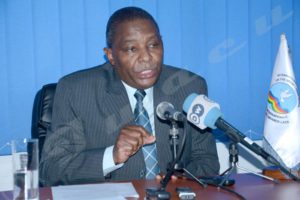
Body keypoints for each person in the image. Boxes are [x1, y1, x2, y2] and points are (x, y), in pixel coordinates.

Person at [40, 6, 220, 186]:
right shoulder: (76, 90)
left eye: (153, 45)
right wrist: (111, 156)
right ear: (110, 55)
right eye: (131, 49)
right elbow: (51, 169)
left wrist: (180, 180)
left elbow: (206, 161)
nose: (146, 58)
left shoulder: (189, 86)